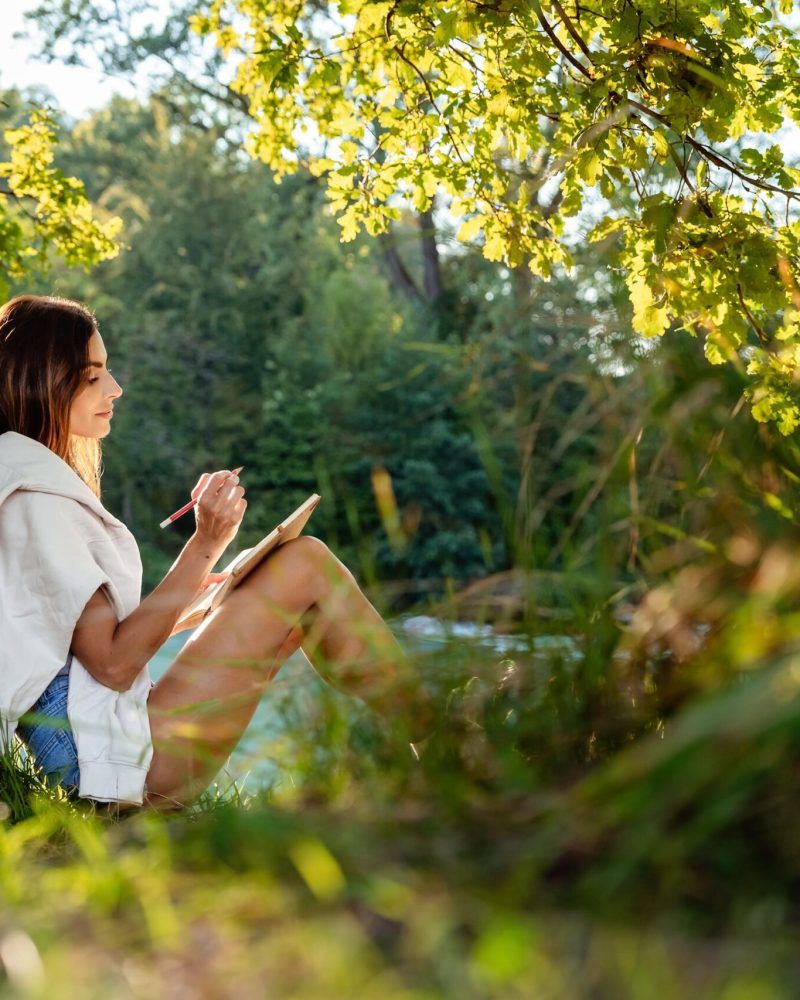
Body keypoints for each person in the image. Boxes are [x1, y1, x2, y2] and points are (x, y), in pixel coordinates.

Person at [0, 295, 428, 809]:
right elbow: (112, 666)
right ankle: (442, 737)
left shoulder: (20, 479)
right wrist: (206, 542)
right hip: (109, 773)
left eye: (107, 372)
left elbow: (72, 648)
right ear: (38, 380)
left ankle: (432, 740)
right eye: (92, 376)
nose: (114, 388)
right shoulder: (32, 493)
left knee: (292, 607)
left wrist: (190, 610)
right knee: (304, 563)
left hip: (107, 755)